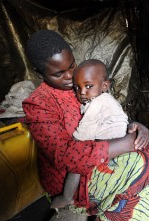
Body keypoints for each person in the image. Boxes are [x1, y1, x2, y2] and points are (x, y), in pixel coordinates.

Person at [22, 29, 149, 221]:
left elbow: (107, 111)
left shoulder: (82, 80)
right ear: (39, 73)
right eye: (59, 73)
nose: (71, 76)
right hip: (72, 180)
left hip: (99, 150)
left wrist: (134, 126)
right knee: (140, 167)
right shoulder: (39, 104)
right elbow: (64, 155)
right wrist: (123, 144)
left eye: (72, 65)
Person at [50, 59, 129, 209]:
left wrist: (70, 145)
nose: (82, 93)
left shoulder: (98, 103)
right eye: (77, 88)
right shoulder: (103, 99)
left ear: (105, 86)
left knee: (76, 162)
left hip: (113, 145)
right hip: (116, 142)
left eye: (88, 86)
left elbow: (82, 135)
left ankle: (66, 197)